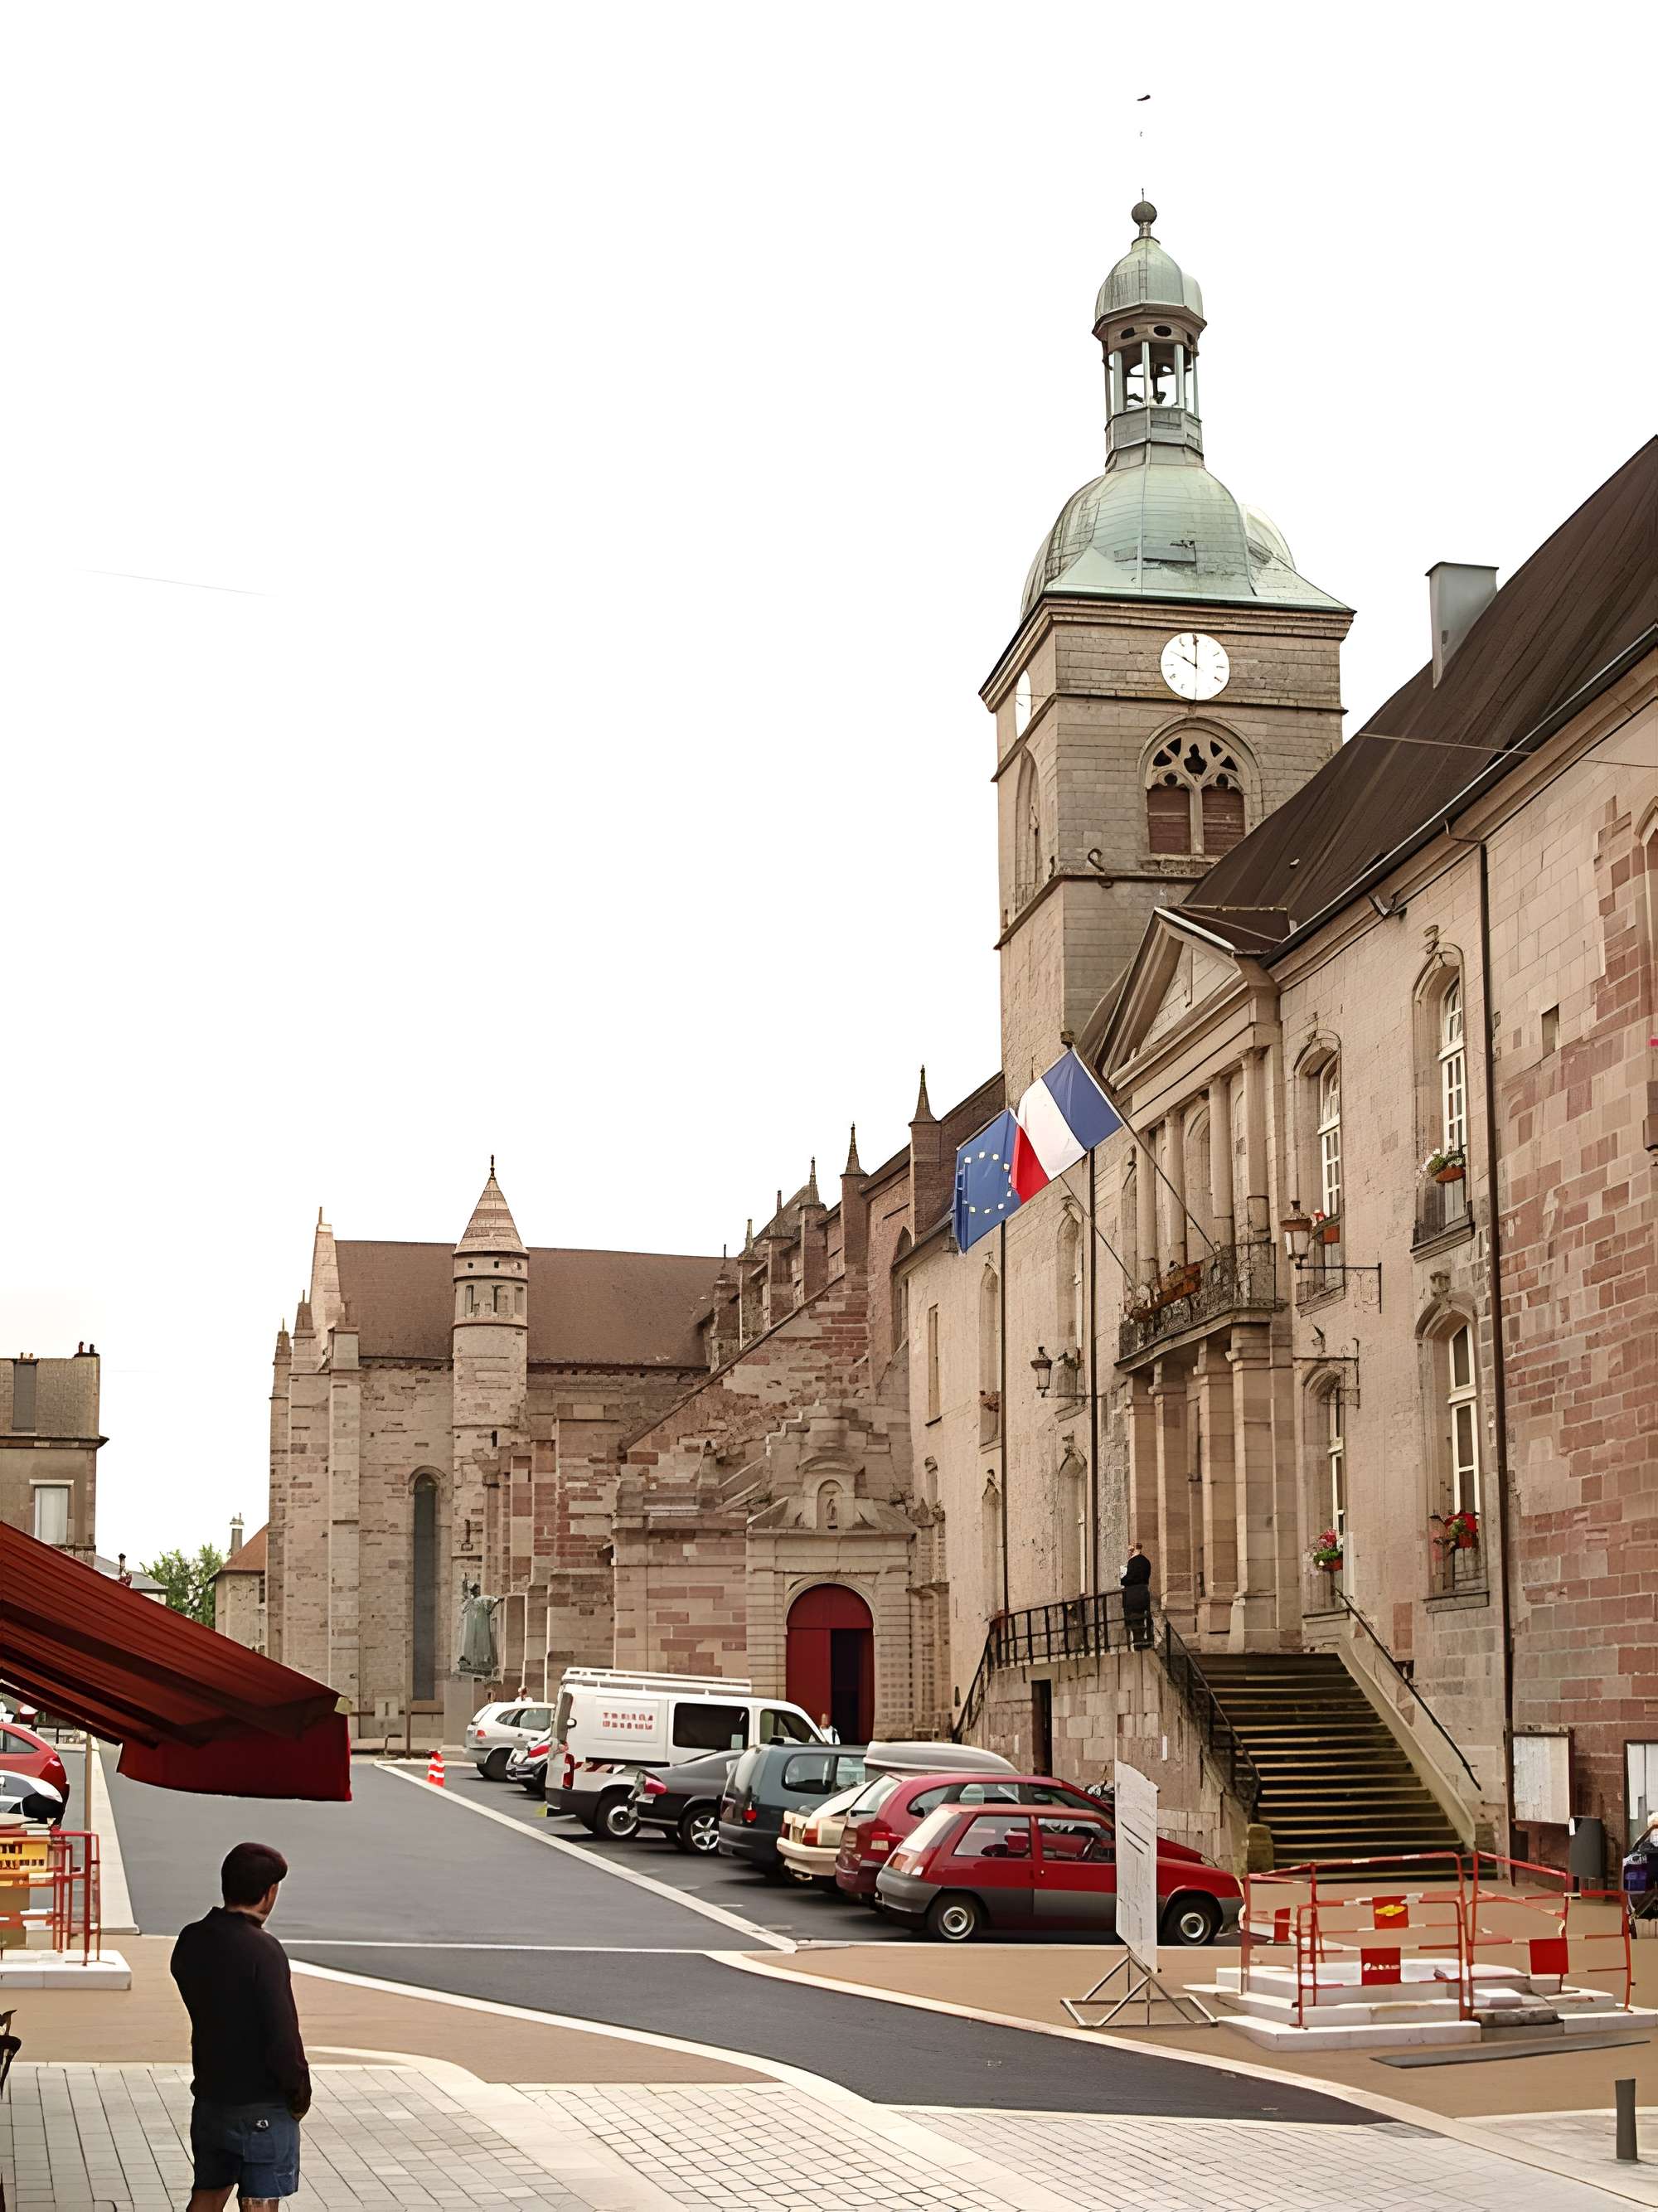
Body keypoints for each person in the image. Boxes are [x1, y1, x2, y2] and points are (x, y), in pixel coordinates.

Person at [171, 1841, 310, 2210]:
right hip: (261, 2104)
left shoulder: (192, 1939)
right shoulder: (263, 1950)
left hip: (210, 2097)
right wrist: (299, 2093)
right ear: (269, 1893)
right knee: (259, 2202)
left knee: (207, 2194)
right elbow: (282, 2034)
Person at [1120, 1542, 1154, 1647]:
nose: (1129, 1553)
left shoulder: (1133, 1561)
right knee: (1142, 1619)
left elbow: (1131, 1578)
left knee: (1134, 1619)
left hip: (1133, 1594)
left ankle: (1138, 1642)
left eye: (1130, 1551)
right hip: (1143, 1592)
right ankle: (1144, 1640)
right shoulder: (1146, 1561)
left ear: (1134, 1550)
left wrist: (1121, 1580)